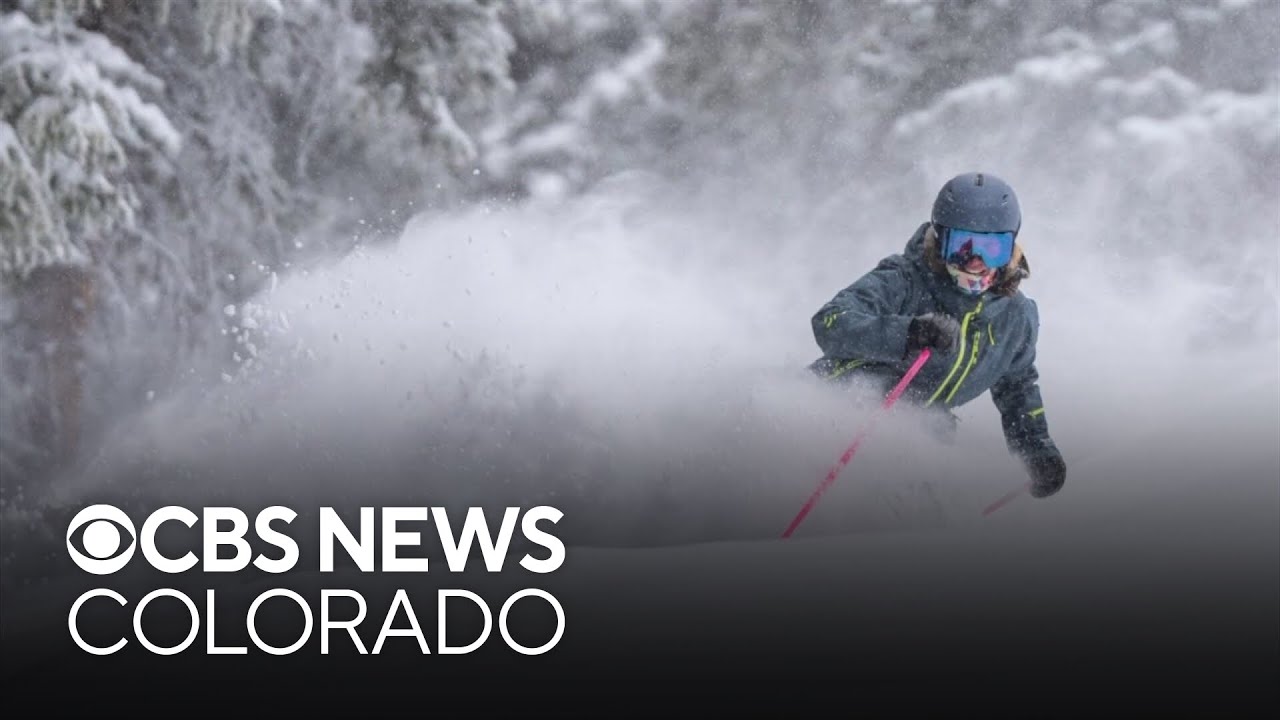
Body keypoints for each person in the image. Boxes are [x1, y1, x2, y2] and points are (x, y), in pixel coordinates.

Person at [808, 172, 1066, 499]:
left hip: (915, 431)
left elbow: (1017, 385)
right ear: (940, 240)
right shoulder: (904, 279)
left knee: (929, 447)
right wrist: (908, 333)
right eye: (962, 247)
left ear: (1011, 247)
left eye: (992, 248)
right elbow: (830, 321)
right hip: (835, 407)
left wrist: (1036, 449)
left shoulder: (1014, 316)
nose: (976, 262)